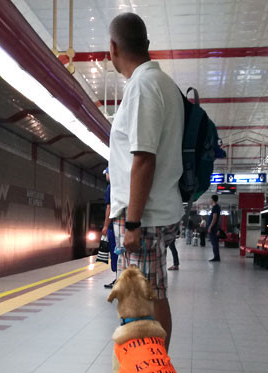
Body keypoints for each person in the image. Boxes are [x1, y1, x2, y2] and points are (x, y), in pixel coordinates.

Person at [107, 12, 183, 350]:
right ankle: (152, 372)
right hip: (154, 211)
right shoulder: (161, 83)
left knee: (140, 303)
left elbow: (144, 158)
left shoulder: (143, 86)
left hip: (146, 216)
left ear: (113, 48)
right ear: (147, 45)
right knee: (153, 295)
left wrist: (133, 223)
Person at [101, 168, 119, 289]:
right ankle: (120, 279)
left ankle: (119, 280)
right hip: (123, 226)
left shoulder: (111, 187)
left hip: (114, 227)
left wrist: (106, 226)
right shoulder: (121, 186)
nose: (106, 176)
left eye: (106, 174)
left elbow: (109, 207)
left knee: (115, 253)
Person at [207, 195, 221, 262]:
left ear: (212, 199)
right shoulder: (216, 207)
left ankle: (216, 257)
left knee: (214, 242)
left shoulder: (215, 207)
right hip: (214, 227)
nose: (209, 200)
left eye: (210, 199)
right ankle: (216, 256)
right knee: (214, 242)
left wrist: (210, 227)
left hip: (213, 228)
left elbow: (214, 218)